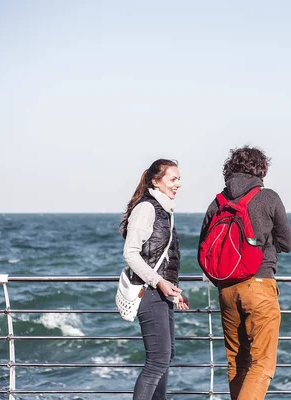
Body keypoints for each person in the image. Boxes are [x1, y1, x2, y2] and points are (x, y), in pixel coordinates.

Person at [198, 146, 291, 400]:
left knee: (236, 362)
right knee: (261, 363)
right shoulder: (268, 197)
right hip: (259, 284)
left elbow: (204, 248)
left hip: (226, 289)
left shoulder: (217, 202)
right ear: (261, 170)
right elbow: (288, 242)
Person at [120, 158, 189, 400]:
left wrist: (174, 289)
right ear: (155, 181)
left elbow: (163, 258)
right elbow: (131, 253)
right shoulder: (146, 208)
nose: (178, 183)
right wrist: (158, 282)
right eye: (173, 179)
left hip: (162, 294)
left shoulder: (165, 210)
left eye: (179, 178)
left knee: (165, 357)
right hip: (149, 294)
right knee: (157, 361)